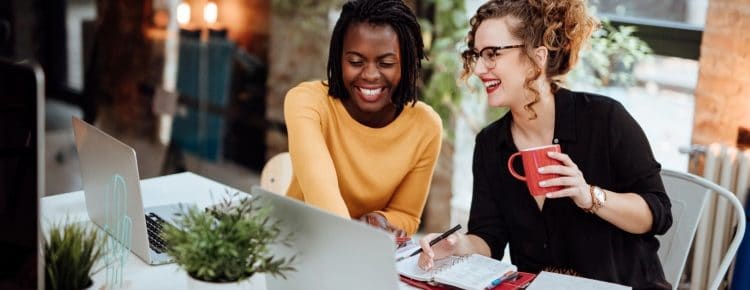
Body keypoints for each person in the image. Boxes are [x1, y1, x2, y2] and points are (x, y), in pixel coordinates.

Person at [417, 1, 672, 289]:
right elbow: (489, 238)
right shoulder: (491, 144)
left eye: (491, 54)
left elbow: (658, 214)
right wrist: (457, 246)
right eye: (476, 55)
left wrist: (589, 196)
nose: (478, 68)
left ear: (536, 57)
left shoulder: (605, 119)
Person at [283, 0, 442, 237]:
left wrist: (379, 220)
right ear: (338, 59)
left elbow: (406, 215)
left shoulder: (425, 126)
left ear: (408, 64)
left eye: (386, 63)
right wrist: (354, 237)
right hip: (296, 240)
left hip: (361, 249)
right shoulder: (307, 102)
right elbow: (320, 186)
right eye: (355, 62)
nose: (369, 75)